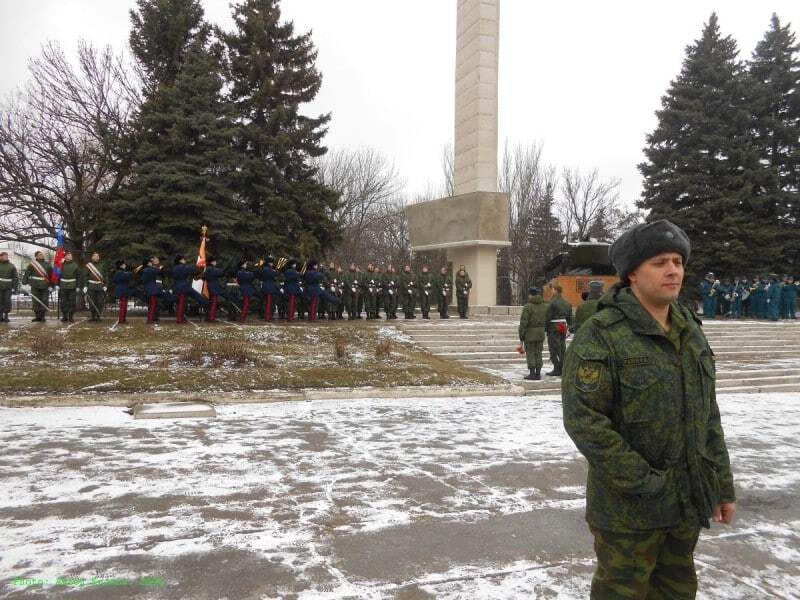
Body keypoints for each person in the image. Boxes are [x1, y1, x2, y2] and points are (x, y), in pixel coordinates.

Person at [562, 219, 735, 599]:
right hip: (628, 514)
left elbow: (708, 415)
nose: (673, 270)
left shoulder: (690, 330)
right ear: (632, 274)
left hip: (685, 505)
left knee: (677, 592)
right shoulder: (602, 334)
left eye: (678, 261)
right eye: (660, 262)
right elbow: (585, 421)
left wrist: (721, 485)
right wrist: (645, 483)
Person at [518, 286, 549, 380]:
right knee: (538, 353)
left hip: (530, 334)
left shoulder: (528, 307)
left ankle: (532, 373)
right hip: (540, 334)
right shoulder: (545, 306)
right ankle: (538, 373)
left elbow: (524, 322)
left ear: (531, 295)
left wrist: (521, 335)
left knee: (530, 353)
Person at [172, 254, 210, 323]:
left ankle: (181, 318)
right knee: (183, 303)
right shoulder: (183, 267)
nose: (185, 260)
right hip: (184, 287)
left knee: (182, 303)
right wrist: (201, 266)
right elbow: (194, 270)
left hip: (178, 286)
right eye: (183, 259)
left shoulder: (175, 268)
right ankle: (180, 319)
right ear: (180, 260)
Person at [545, 284, 572, 376]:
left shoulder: (552, 302)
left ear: (555, 290)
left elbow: (548, 316)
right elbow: (569, 318)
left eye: (552, 289)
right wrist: (569, 327)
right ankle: (562, 367)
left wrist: (546, 328)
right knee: (562, 346)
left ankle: (557, 368)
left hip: (554, 326)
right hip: (563, 326)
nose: (551, 291)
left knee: (554, 347)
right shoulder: (567, 303)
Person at [23, 251, 53, 322]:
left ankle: (42, 316)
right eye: (40, 255)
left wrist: (52, 285)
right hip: (35, 285)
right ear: (36, 256)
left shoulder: (48, 265)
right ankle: (37, 316)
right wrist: (24, 283)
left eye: (42, 255)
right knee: (36, 301)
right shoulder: (32, 265)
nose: (42, 256)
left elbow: (51, 276)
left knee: (44, 301)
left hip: (45, 285)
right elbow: (27, 274)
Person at [142, 256, 172, 324]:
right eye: (155, 259)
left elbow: (163, 276)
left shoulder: (153, 268)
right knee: (153, 304)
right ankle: (151, 319)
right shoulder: (151, 269)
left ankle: (154, 318)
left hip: (156, 288)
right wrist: (159, 268)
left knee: (155, 304)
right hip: (153, 288)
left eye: (157, 259)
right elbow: (156, 272)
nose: (156, 260)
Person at [82, 251, 108, 321]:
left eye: (97, 256)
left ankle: (98, 315)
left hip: (100, 286)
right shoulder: (89, 266)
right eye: (95, 256)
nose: (96, 257)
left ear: (99, 257)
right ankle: (93, 316)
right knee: (91, 302)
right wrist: (85, 286)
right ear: (92, 257)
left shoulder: (103, 265)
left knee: (100, 302)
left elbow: (106, 276)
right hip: (91, 286)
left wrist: (105, 285)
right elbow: (85, 276)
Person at [58, 251, 80, 322]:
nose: (70, 256)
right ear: (65, 257)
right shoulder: (60, 265)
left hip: (72, 286)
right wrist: (57, 284)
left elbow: (79, 276)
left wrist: (78, 286)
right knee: (63, 301)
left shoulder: (75, 265)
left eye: (70, 255)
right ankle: (64, 316)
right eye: (68, 255)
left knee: (72, 302)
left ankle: (71, 316)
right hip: (63, 286)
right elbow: (57, 275)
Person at [112, 259, 133, 324]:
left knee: (124, 305)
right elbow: (126, 276)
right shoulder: (120, 272)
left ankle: (123, 319)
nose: (125, 265)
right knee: (123, 305)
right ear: (121, 265)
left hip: (123, 289)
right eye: (123, 264)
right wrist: (130, 272)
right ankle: (121, 319)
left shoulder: (120, 272)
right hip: (122, 289)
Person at [0, 251, 18, 323]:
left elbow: (15, 277)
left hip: (8, 287)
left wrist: (14, 287)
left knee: (7, 301)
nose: (5, 257)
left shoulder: (12, 266)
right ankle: (0, 316)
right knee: (0, 301)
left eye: (6, 256)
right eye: (4, 256)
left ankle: (6, 316)